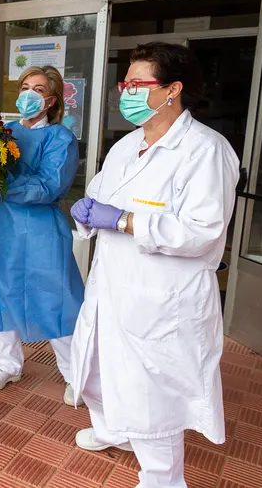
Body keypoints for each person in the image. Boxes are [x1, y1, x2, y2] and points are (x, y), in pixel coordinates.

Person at [69, 42, 238, 488]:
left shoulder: (205, 150)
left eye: (137, 83)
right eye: (125, 82)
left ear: (173, 90)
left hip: (162, 297)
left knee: (151, 396)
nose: (125, 91)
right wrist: (87, 212)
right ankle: (110, 429)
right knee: (97, 369)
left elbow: (202, 231)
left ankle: (163, 480)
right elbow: (102, 195)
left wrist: (124, 220)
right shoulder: (127, 143)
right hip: (111, 286)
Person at [0, 66, 85, 406]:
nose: (29, 94)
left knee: (56, 297)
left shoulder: (60, 138)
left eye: (38, 89)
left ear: (50, 100)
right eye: (24, 87)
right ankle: (7, 364)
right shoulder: (0, 133)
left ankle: (75, 375)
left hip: (40, 229)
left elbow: (51, 186)